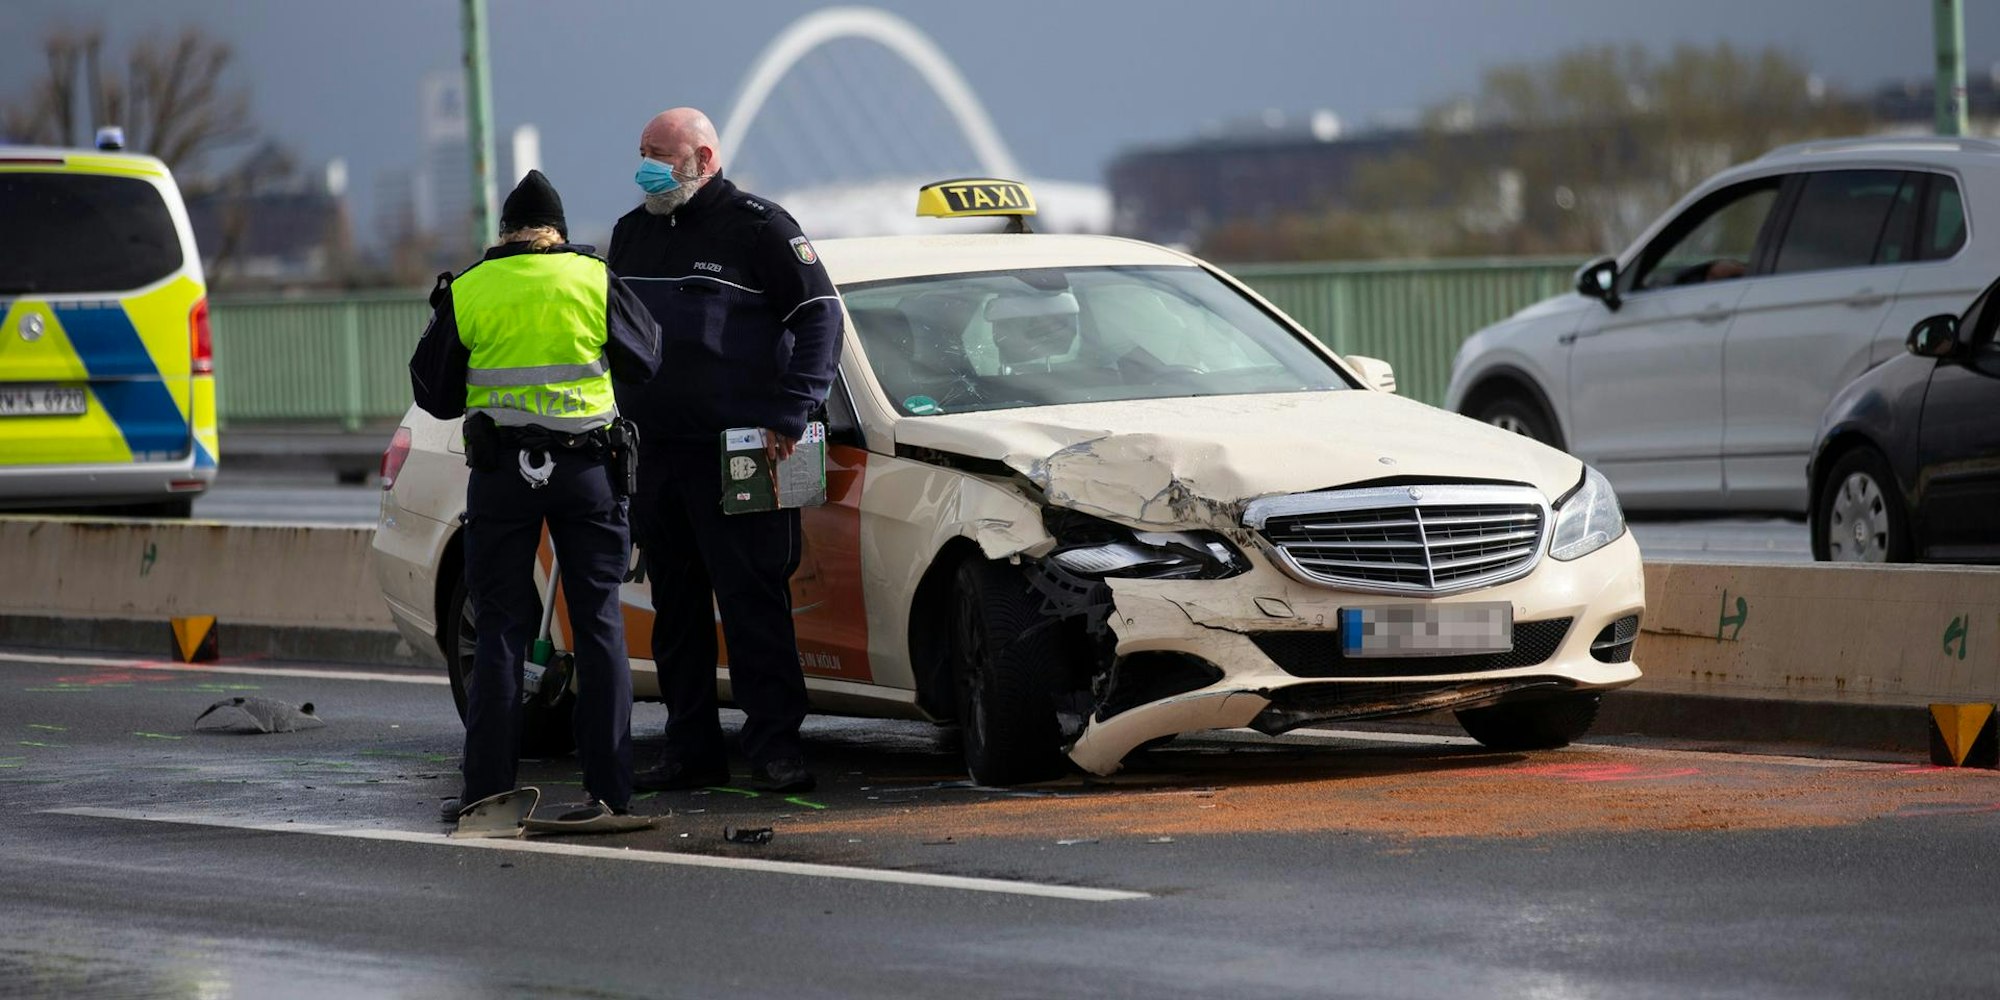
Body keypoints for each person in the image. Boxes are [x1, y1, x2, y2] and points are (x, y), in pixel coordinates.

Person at [410, 170, 662, 828]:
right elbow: (647, 359)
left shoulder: (469, 288)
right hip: (589, 472)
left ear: (505, 232)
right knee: (600, 625)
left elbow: (433, 392)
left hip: (499, 476)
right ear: (559, 232)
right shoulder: (592, 278)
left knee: (499, 630)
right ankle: (610, 795)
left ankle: (486, 793)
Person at [608, 107, 842, 794]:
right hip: (657, 455)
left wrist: (792, 410)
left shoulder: (759, 229)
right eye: (643, 149)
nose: (647, 162)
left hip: (743, 453)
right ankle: (691, 750)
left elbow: (820, 315)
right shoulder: (631, 234)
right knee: (675, 612)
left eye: (661, 152)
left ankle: (774, 747)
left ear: (704, 159)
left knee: (753, 605)